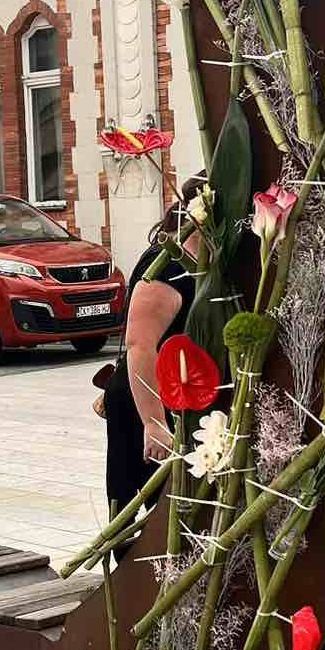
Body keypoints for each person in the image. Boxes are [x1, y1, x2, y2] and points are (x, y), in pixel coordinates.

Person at [101, 177, 206, 513]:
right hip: (143, 398)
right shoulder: (168, 265)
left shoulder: (204, 259)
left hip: (175, 395)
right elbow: (140, 345)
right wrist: (154, 423)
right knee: (136, 501)